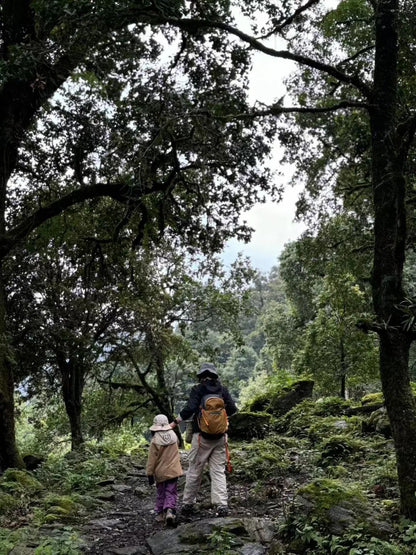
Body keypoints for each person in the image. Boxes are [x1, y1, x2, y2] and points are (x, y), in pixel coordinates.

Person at [170, 362, 237, 517]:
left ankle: (188, 504)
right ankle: (221, 505)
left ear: (201, 376)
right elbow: (233, 410)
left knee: (195, 469)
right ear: (214, 375)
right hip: (220, 437)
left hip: (201, 437)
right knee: (218, 471)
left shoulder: (198, 389)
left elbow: (189, 409)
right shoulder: (222, 389)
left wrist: (174, 422)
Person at [146, 414, 183, 525]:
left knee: (161, 491)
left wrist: (149, 474)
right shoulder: (173, 436)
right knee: (171, 491)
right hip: (173, 470)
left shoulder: (155, 440)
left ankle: (160, 514)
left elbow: (151, 460)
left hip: (160, 472)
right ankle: (170, 510)